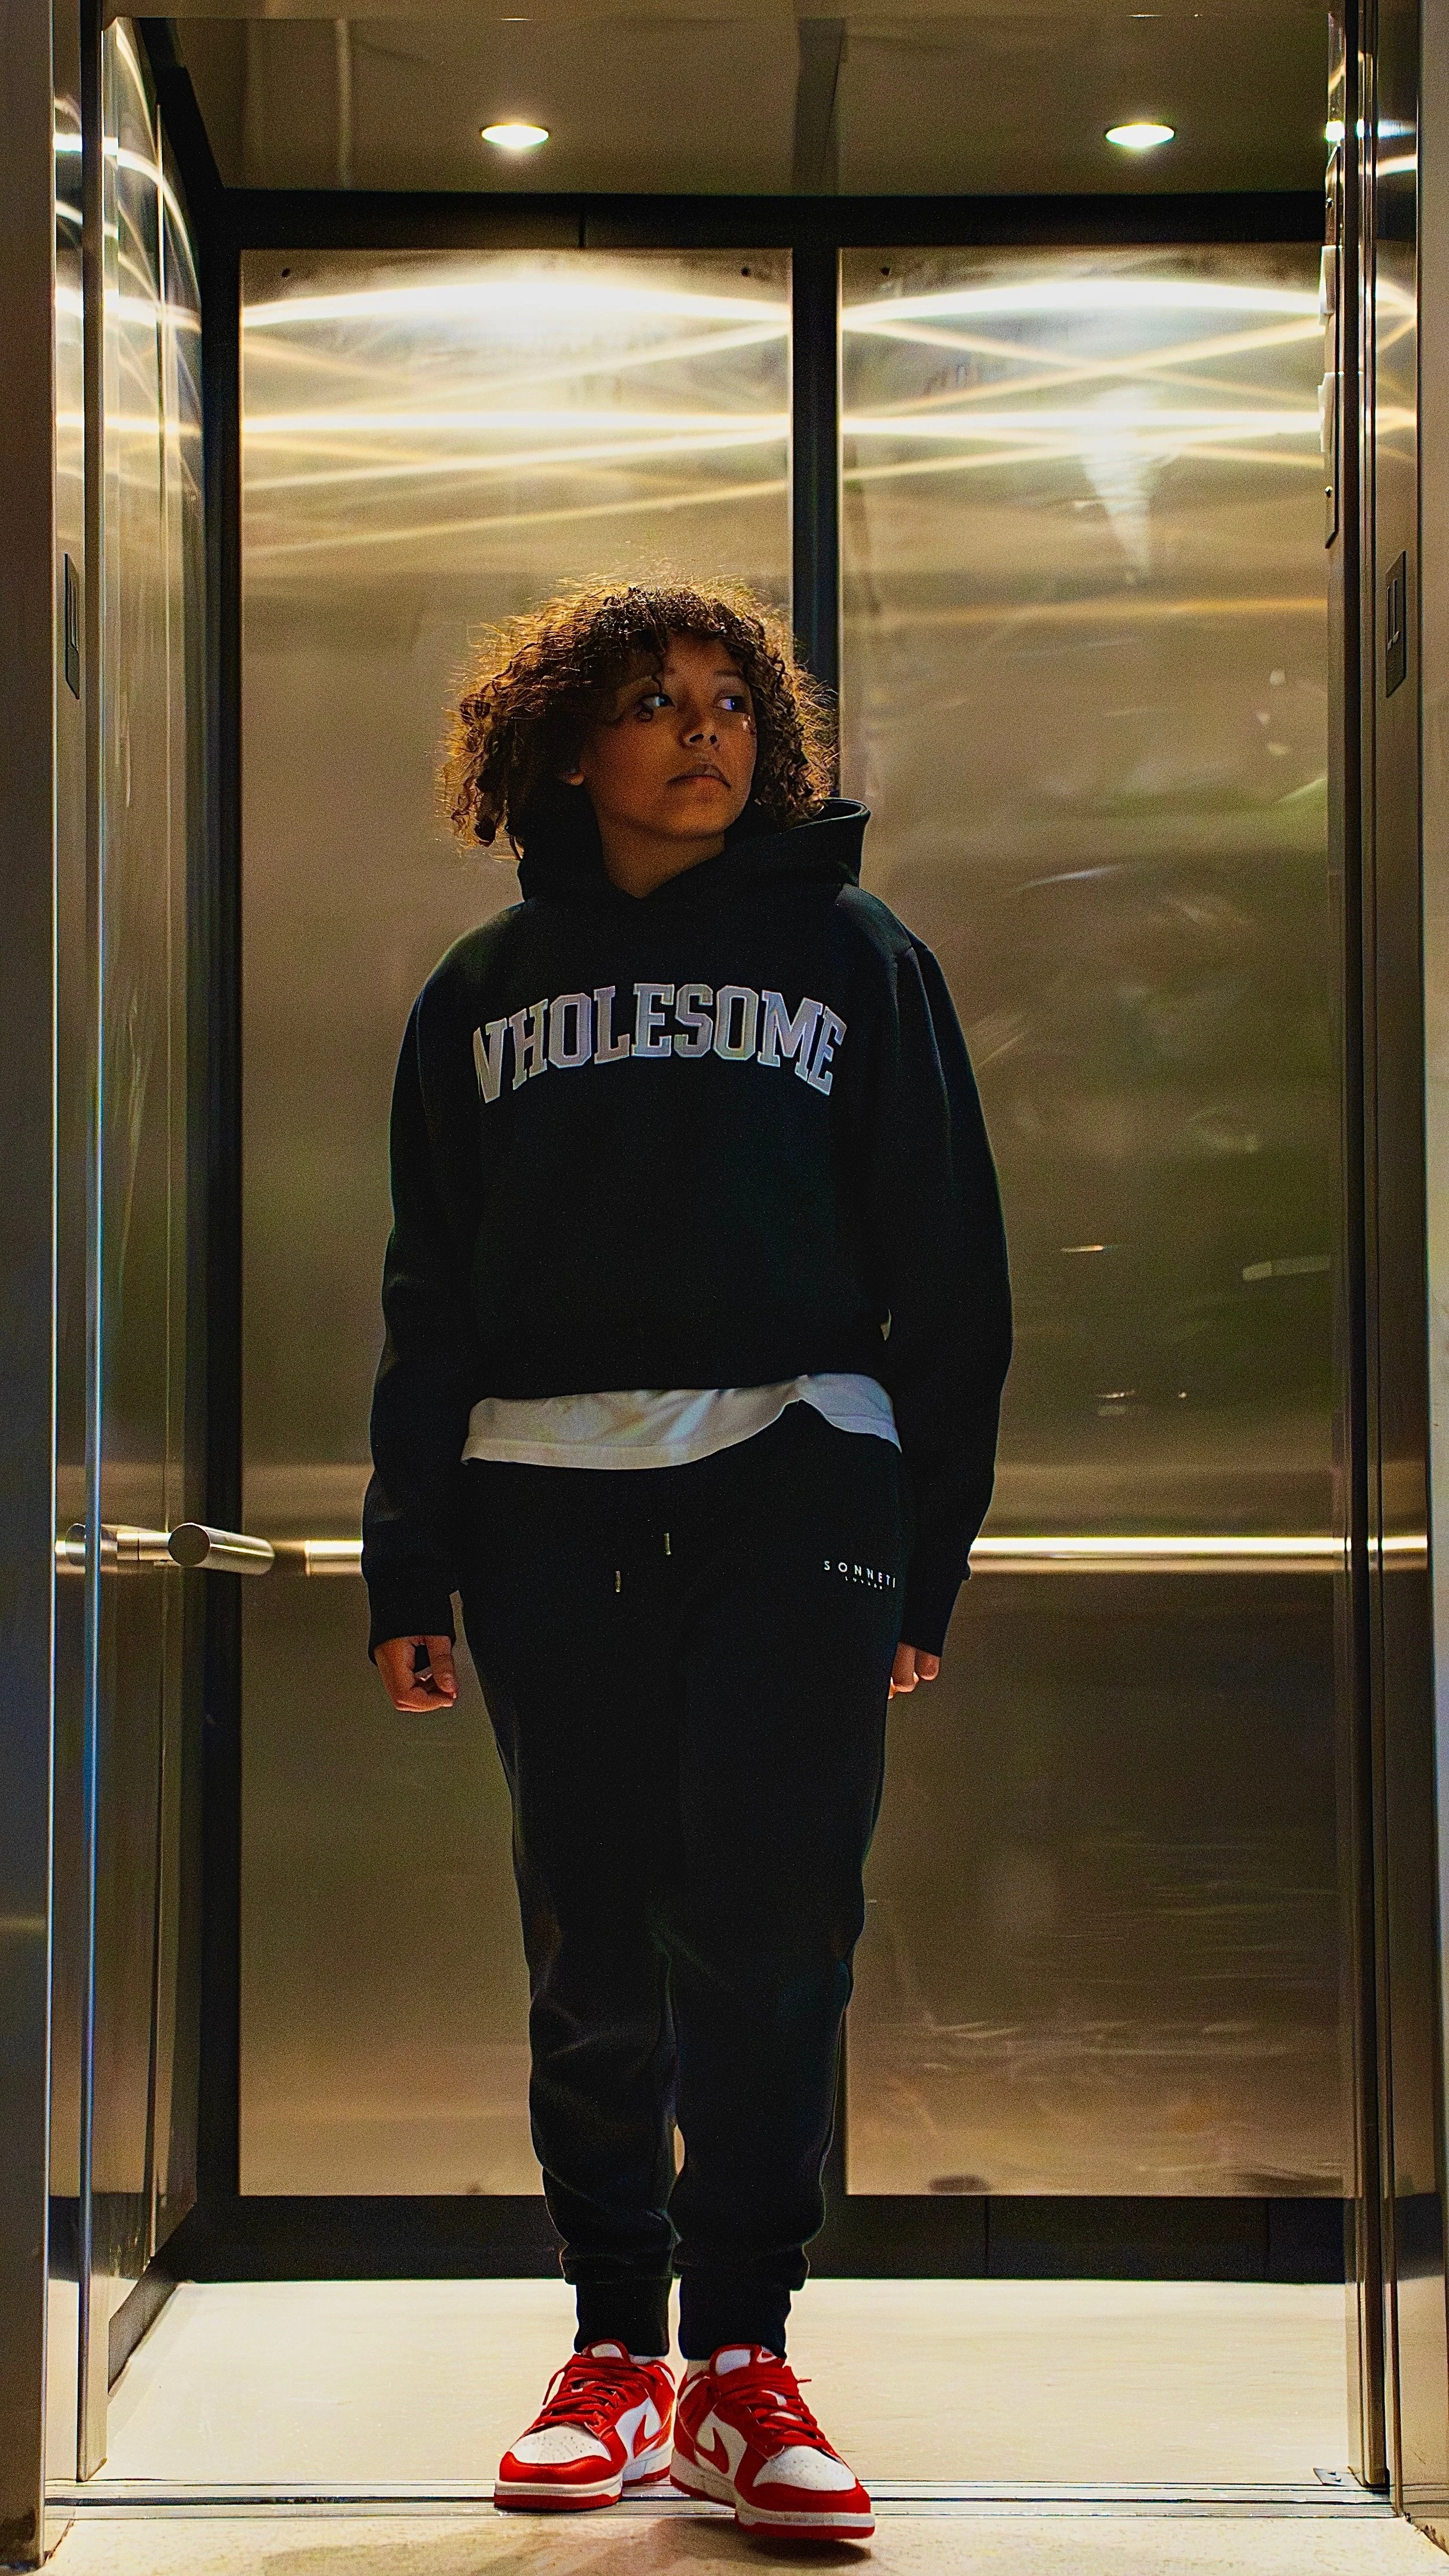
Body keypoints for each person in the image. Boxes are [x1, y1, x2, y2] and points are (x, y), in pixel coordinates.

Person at [362, 580, 1011, 2545]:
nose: (703, 729)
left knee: (775, 1929)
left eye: (731, 701)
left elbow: (949, 1265)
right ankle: (610, 2349)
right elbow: (427, 1292)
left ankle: (741, 2359)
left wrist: (925, 1558)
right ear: (569, 747)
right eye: (654, 700)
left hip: (795, 1489)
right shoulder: (482, 988)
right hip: (541, 1502)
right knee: (593, 1931)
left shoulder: (853, 955)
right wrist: (406, 1564)